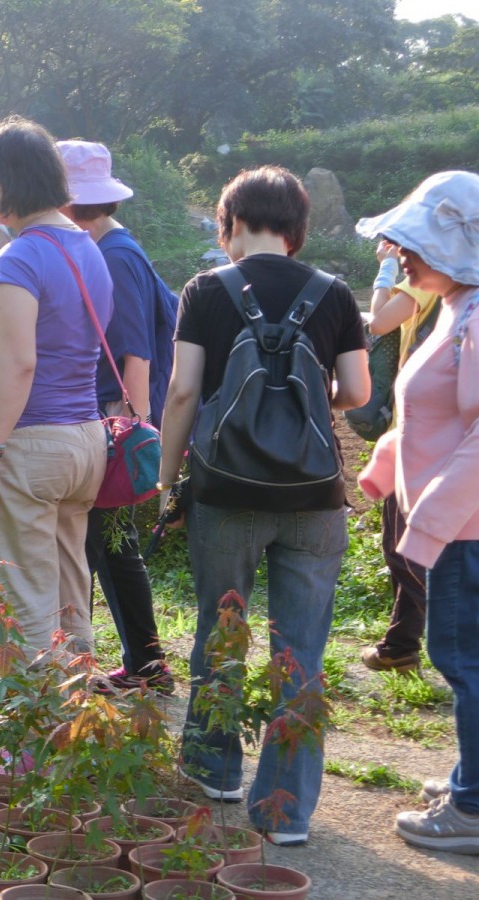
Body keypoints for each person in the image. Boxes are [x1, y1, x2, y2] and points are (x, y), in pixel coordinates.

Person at [156, 165, 368, 845]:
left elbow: (184, 392)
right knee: (300, 653)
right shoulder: (333, 292)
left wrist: (167, 480)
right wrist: (303, 402)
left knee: (221, 637)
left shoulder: (206, 290)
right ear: (296, 228)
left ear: (230, 222)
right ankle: (285, 813)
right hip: (313, 498)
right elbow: (358, 392)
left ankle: (213, 772)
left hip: (226, 492)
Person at [356, 170, 479, 854]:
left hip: (466, 525)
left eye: (411, 242)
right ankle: (471, 779)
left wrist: (427, 522)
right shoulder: (458, 306)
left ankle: (472, 809)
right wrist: (382, 475)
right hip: (458, 518)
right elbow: (427, 414)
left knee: (463, 659)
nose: (399, 253)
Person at [0, 117, 112, 658]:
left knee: (22, 596)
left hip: (27, 444)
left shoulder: (21, 256)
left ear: (5, 182)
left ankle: (30, 736)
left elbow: (18, 363)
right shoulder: (87, 246)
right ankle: (78, 715)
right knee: (70, 589)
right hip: (82, 439)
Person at [58, 140, 176, 693]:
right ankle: (144, 663)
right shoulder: (108, 248)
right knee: (108, 545)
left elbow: (135, 351)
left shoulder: (115, 256)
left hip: (114, 420)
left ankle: (143, 664)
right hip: (107, 417)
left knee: (109, 543)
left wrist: (131, 430)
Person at [355, 240, 439, 673]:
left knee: (403, 545)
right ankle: (401, 643)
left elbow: (381, 320)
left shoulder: (429, 282)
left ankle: (407, 643)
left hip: (419, 437)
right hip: (435, 436)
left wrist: (387, 270)